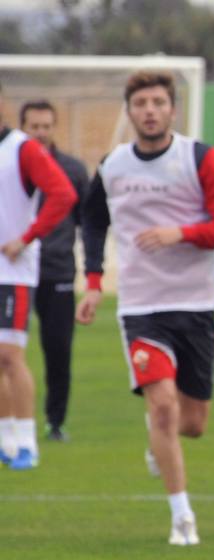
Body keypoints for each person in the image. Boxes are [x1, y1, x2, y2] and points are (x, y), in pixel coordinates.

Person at [79, 70, 214, 545]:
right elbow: (92, 223)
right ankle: (182, 518)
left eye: (157, 102)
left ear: (172, 109)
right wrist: (93, 283)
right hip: (141, 307)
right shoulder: (112, 166)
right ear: (129, 112)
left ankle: (161, 441)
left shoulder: (198, 158)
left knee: (191, 424)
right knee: (164, 407)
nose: (149, 110)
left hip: (196, 303)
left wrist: (182, 233)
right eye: (140, 103)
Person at [0, 80, 77, 470]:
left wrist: (26, 238)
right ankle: (6, 438)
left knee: (10, 356)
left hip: (11, 272)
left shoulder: (22, 149)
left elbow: (63, 193)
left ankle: (28, 441)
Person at [20, 100, 89, 442]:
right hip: (14, 271)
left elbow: (87, 222)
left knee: (58, 349)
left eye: (47, 126)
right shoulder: (9, 166)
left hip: (57, 270)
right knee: (8, 352)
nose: (42, 133)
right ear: (23, 128)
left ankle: (55, 422)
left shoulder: (73, 170)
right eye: (35, 127)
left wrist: (92, 272)